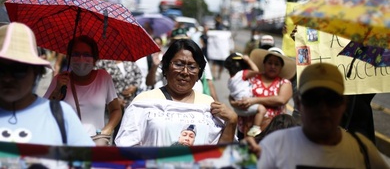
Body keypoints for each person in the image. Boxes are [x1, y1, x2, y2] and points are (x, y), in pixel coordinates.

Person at [258, 63, 388, 168]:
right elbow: (240, 161)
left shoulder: (362, 149)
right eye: (312, 99)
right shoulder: (274, 145)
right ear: (298, 103)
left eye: (332, 100)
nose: (323, 109)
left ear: (344, 104)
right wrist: (242, 153)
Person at [0, 22, 94, 167]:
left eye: (18, 69)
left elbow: (89, 163)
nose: (7, 78)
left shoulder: (61, 114)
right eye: (1, 68)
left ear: (36, 71)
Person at [115, 39, 237, 147]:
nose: (185, 72)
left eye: (192, 67)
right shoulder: (144, 101)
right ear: (166, 67)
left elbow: (219, 153)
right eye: (178, 64)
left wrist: (232, 121)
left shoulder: (207, 104)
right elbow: (126, 147)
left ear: (199, 73)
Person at [44, 35, 122, 142]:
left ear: (95, 59)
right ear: (68, 57)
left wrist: (107, 130)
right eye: (76, 54)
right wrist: (57, 89)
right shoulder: (60, 80)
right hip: (65, 143)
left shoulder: (103, 78)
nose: (81, 59)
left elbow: (116, 110)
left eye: (86, 55)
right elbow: (44, 112)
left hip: (95, 144)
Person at [229, 47, 295, 140]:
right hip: (246, 127)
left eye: (276, 64)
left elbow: (281, 99)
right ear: (264, 63)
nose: (273, 66)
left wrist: (254, 100)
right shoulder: (253, 77)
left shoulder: (284, 83)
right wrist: (233, 103)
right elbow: (235, 92)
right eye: (270, 63)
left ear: (281, 67)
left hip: (273, 130)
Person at [224, 52, 267, 137]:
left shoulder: (230, 81)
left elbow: (232, 95)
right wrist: (248, 60)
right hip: (246, 106)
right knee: (261, 109)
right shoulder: (242, 74)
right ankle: (255, 128)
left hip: (238, 109)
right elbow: (256, 71)